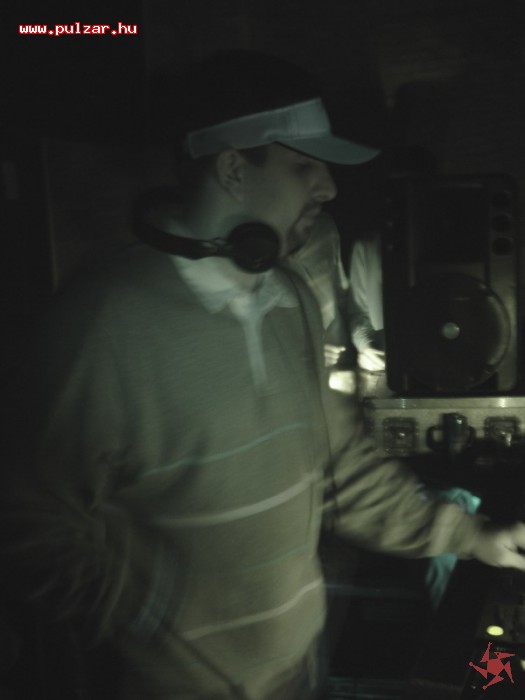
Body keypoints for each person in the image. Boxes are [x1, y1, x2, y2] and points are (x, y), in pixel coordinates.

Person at [2, 50, 525, 700]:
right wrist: (146, 621)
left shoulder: (290, 298)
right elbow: (25, 520)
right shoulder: (99, 324)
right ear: (232, 169)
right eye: (304, 165)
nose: (328, 187)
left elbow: (339, 467)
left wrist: (469, 536)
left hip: (297, 670)